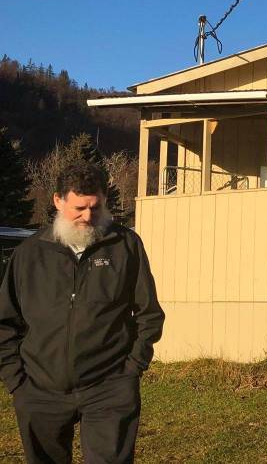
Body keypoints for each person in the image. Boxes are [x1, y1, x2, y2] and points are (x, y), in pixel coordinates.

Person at [0, 160, 164, 463]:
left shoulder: (124, 245)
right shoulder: (29, 255)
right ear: (58, 201)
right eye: (79, 208)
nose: (88, 216)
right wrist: (17, 382)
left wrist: (131, 370)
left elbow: (149, 313)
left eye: (96, 207)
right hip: (39, 390)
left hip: (109, 389)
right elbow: (5, 322)